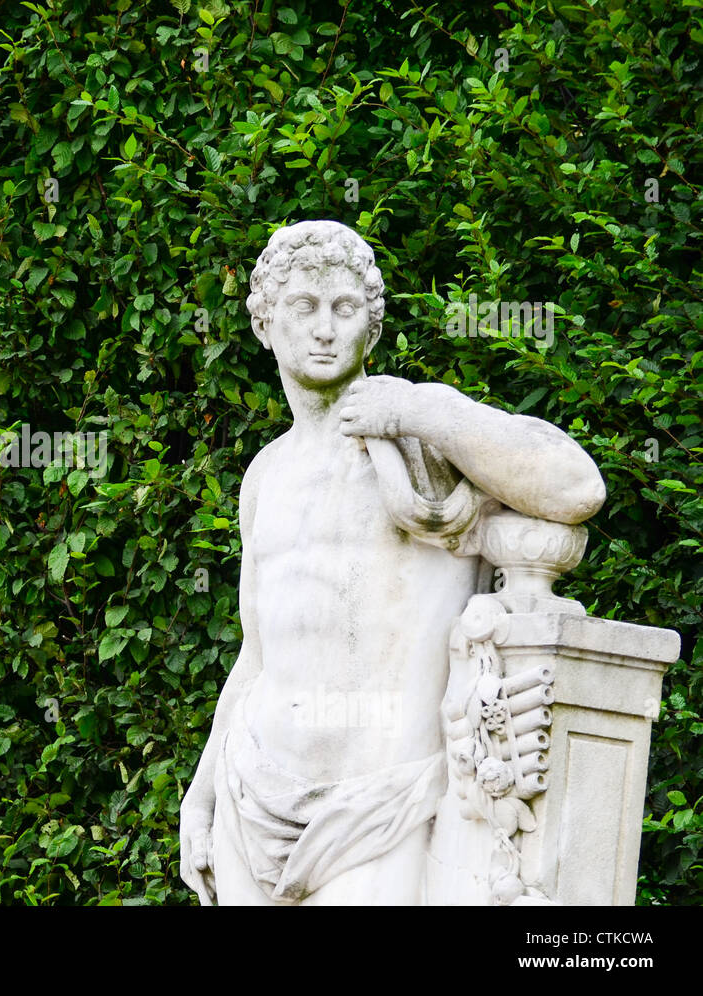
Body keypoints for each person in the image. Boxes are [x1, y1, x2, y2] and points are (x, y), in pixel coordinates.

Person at [178, 220, 604, 905]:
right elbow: (256, 657)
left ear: (370, 328)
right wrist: (198, 800)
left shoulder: (417, 440)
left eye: (344, 309)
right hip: (250, 798)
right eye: (303, 308)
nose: (323, 329)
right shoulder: (265, 475)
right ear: (264, 323)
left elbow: (576, 489)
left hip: (378, 805)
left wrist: (421, 410)